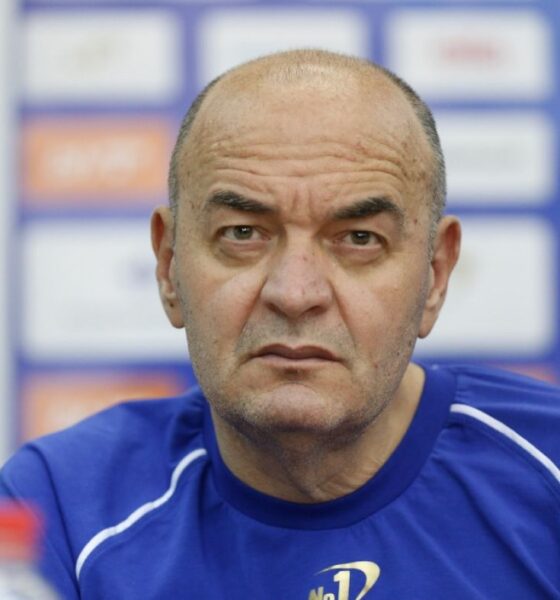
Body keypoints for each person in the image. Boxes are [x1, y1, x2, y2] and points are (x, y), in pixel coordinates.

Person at [1, 49, 559, 599]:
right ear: (169, 266)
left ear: (435, 274)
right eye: (242, 234)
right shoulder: (58, 510)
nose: (295, 294)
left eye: (359, 238)